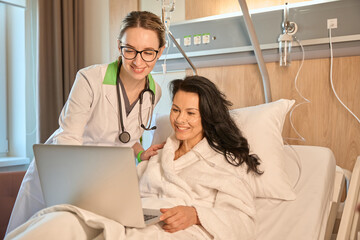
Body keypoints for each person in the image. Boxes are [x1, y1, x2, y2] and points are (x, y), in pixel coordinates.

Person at [6, 76, 262, 240]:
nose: (180, 120)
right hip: (134, 218)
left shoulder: (226, 162)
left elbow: (242, 222)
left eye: (191, 113)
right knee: (61, 220)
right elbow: (128, 190)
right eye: (175, 110)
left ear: (207, 116)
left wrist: (196, 214)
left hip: (177, 229)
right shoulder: (161, 153)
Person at [6, 10, 167, 235]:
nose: (138, 61)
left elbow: (128, 139)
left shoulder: (154, 92)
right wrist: (78, 187)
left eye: (148, 52)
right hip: (64, 176)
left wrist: (142, 154)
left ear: (160, 52)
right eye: (129, 50)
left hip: (104, 184)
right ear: (118, 46)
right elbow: (68, 138)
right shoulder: (90, 79)